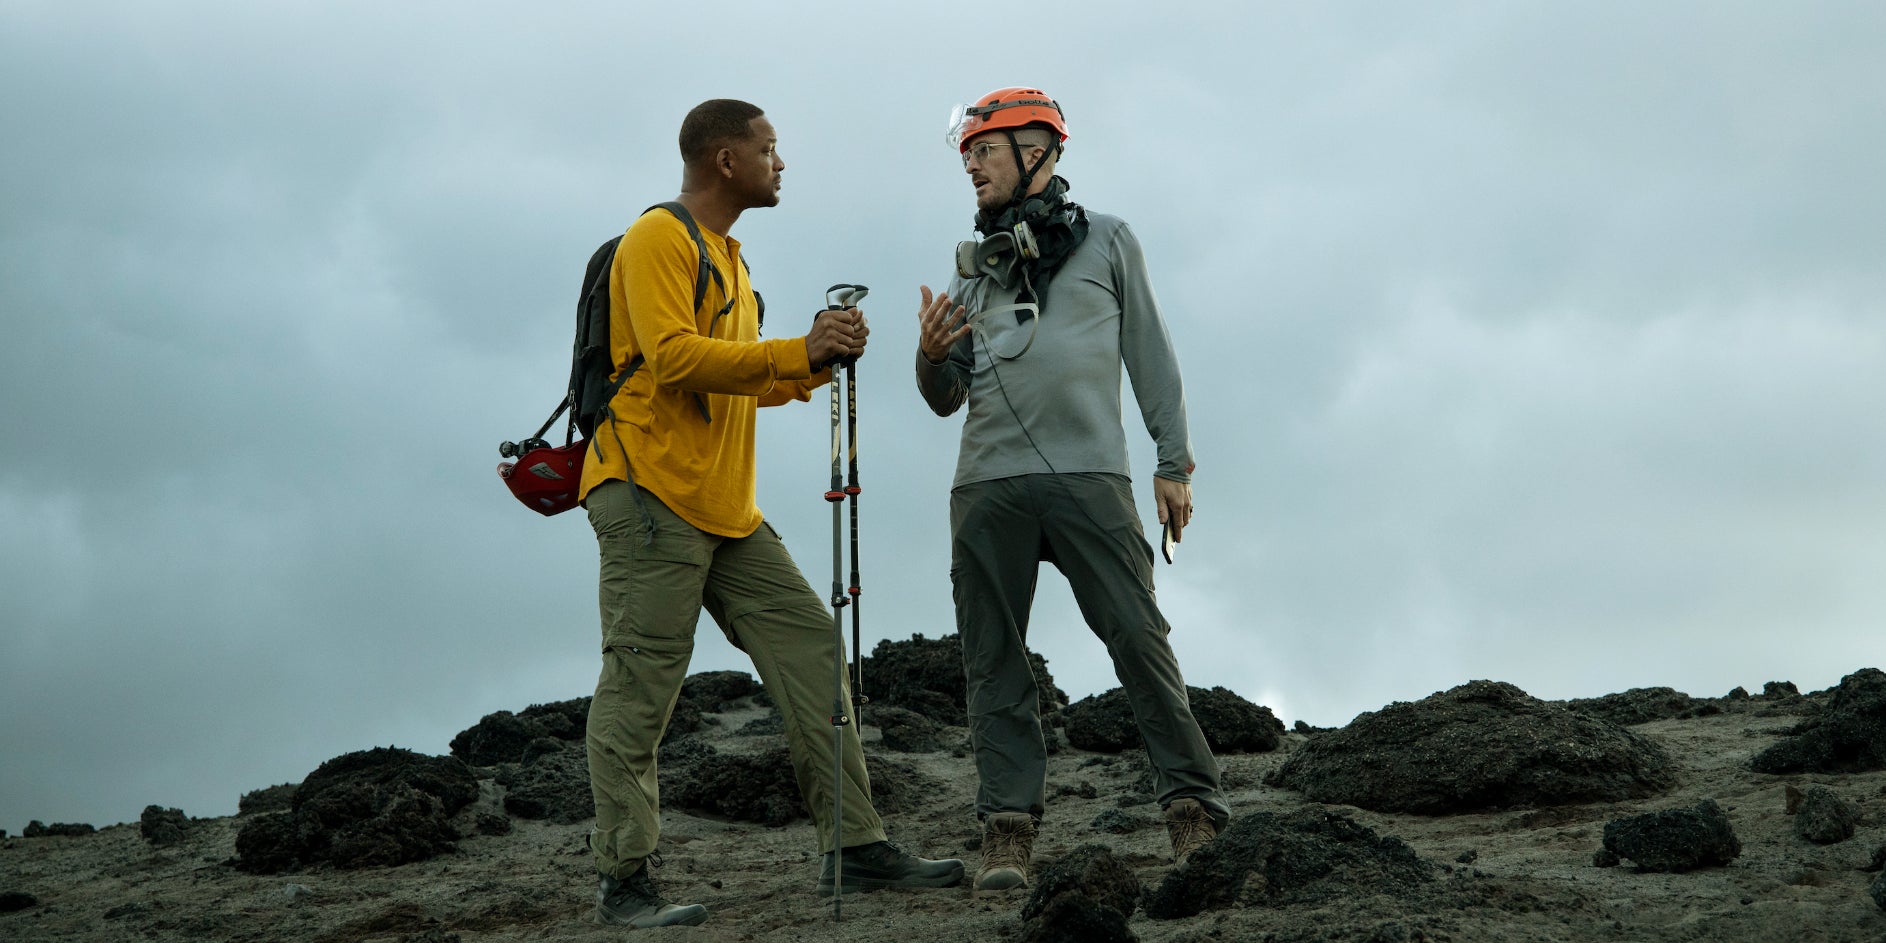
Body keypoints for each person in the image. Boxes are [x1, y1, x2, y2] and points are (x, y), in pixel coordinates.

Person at [578, 99, 962, 929]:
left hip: (728, 513)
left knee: (816, 655)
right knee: (641, 688)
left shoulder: (733, 261)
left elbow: (746, 378)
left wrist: (817, 360)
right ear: (725, 160)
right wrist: (798, 350)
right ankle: (624, 880)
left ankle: (855, 846)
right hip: (649, 493)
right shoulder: (658, 240)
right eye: (769, 148)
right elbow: (676, 359)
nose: (780, 163)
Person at [913, 87, 1230, 892]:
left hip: (1090, 479)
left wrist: (1174, 461)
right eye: (968, 154)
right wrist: (929, 353)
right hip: (986, 485)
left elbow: (1151, 354)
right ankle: (1008, 832)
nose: (971, 166)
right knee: (993, 664)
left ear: (1036, 151)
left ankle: (1194, 812)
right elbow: (945, 396)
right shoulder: (970, 271)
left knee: (1139, 640)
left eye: (983, 150)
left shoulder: (1111, 241)